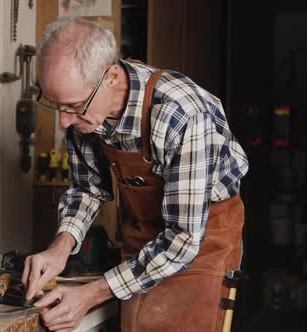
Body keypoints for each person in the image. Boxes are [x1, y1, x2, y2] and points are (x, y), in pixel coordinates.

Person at [21, 16, 249, 332]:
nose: (63, 122)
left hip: (200, 245)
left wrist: (90, 294)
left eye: (73, 106)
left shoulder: (182, 114)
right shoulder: (83, 113)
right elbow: (88, 189)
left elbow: (182, 239)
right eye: (55, 105)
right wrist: (60, 247)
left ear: (112, 76)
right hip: (141, 241)